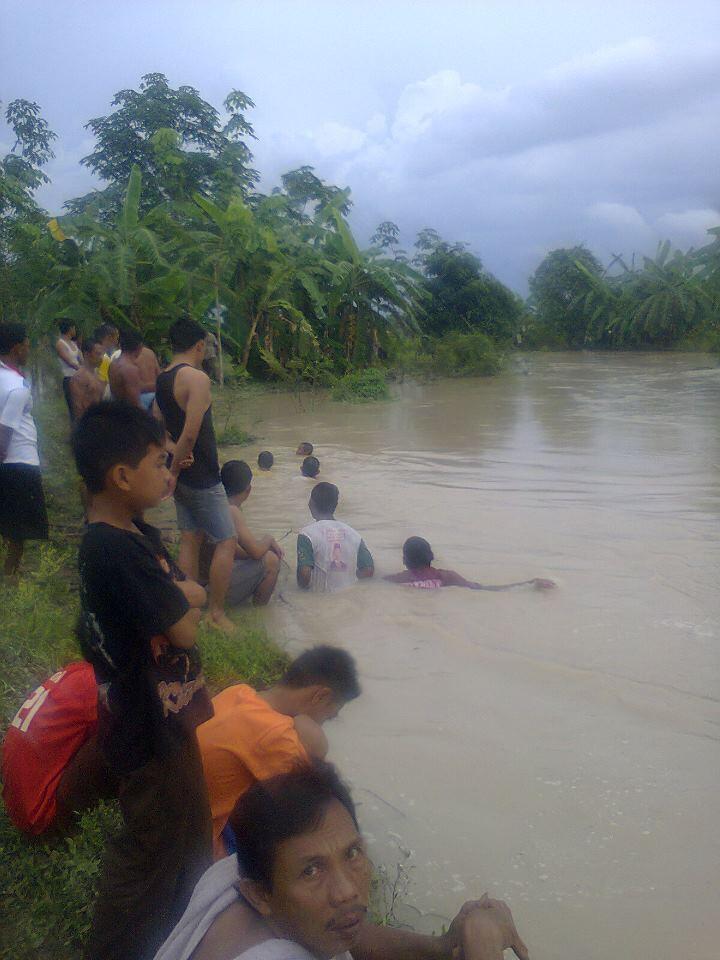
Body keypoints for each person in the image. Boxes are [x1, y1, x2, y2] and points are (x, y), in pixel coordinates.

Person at [73, 401, 214, 960]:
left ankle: (186, 931)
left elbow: (182, 588)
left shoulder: (134, 532)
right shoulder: (111, 549)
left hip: (166, 714)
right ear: (122, 476)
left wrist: (185, 594)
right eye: (160, 462)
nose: (169, 471)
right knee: (148, 848)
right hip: (144, 726)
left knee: (190, 828)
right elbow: (183, 625)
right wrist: (188, 597)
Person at [153, 764, 529, 960]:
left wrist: (442, 946)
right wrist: (481, 943)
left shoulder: (228, 876)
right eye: (311, 870)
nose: (347, 890)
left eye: (352, 853)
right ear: (260, 894)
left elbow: (350, 932)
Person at [197, 645, 360, 859]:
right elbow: (311, 809)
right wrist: (316, 749)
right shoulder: (275, 735)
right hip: (199, 842)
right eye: (329, 717)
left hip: (177, 807)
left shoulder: (239, 692)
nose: (323, 725)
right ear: (320, 696)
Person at [154, 316, 237, 632]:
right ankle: (216, 613)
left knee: (190, 538)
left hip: (184, 477)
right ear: (199, 345)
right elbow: (191, 433)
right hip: (201, 474)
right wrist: (174, 469)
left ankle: (189, 606)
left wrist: (172, 455)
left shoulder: (163, 378)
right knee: (226, 540)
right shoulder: (196, 378)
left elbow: (158, 428)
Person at [1, 661, 117, 836]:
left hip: (21, 807)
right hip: (44, 817)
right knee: (123, 727)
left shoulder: (76, 671)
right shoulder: (96, 684)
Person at [0, 323, 48, 577]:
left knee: (9, 523)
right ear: (17, 348)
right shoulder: (18, 386)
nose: (29, 349)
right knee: (18, 528)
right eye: (27, 345)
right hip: (18, 459)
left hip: (11, 461)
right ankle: (10, 577)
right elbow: (4, 430)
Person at [200, 460, 281, 607]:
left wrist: (258, 546)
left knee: (262, 554)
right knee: (271, 560)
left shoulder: (213, 503)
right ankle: (259, 612)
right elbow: (255, 553)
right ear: (248, 490)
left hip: (201, 586)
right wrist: (268, 540)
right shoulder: (232, 510)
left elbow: (232, 550)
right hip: (212, 589)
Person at [384, 537, 556, 591]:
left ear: (405, 560)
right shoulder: (445, 577)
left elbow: (371, 582)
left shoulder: (398, 579)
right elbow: (485, 589)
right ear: (431, 556)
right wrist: (530, 583)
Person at [297, 483, 373, 592]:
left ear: (311, 503)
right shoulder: (354, 535)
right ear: (335, 505)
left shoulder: (306, 534)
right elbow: (368, 570)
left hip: (319, 599)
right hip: (348, 599)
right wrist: (346, 579)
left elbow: (304, 576)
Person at [69, 337, 105, 420]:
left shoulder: (97, 374)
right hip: (87, 424)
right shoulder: (79, 378)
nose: (101, 358)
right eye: (98, 354)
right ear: (87, 354)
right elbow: (78, 408)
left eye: (102, 354)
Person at [108, 327, 145, 406]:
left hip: (117, 409)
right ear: (140, 346)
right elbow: (134, 402)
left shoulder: (113, 364)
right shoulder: (130, 369)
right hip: (128, 413)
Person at [55, 319, 81, 422]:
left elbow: (81, 358)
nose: (75, 330)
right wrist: (83, 370)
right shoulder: (60, 344)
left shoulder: (74, 344)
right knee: (73, 408)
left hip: (79, 377)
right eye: (74, 327)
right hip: (69, 378)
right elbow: (70, 362)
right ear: (70, 329)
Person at [137, 343, 161, 409]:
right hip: (155, 395)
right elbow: (159, 373)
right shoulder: (150, 352)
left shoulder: (130, 356)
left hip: (141, 396)